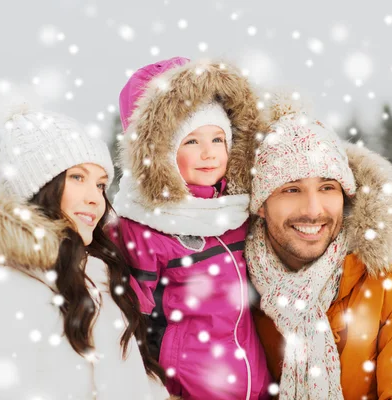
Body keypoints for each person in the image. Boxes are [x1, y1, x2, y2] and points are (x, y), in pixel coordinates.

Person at [0, 93, 170, 399]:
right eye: (77, 177)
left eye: (100, 184)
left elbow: (127, 377)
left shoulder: (94, 271)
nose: (95, 197)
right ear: (39, 187)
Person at [246, 100, 392, 399]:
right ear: (262, 205)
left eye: (327, 187)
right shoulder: (229, 280)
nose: (313, 210)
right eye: (291, 189)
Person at [110, 57, 271, 399]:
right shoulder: (143, 226)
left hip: (252, 385)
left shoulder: (237, 213)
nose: (209, 154)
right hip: (187, 389)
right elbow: (130, 326)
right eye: (192, 142)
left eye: (217, 140)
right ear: (162, 153)